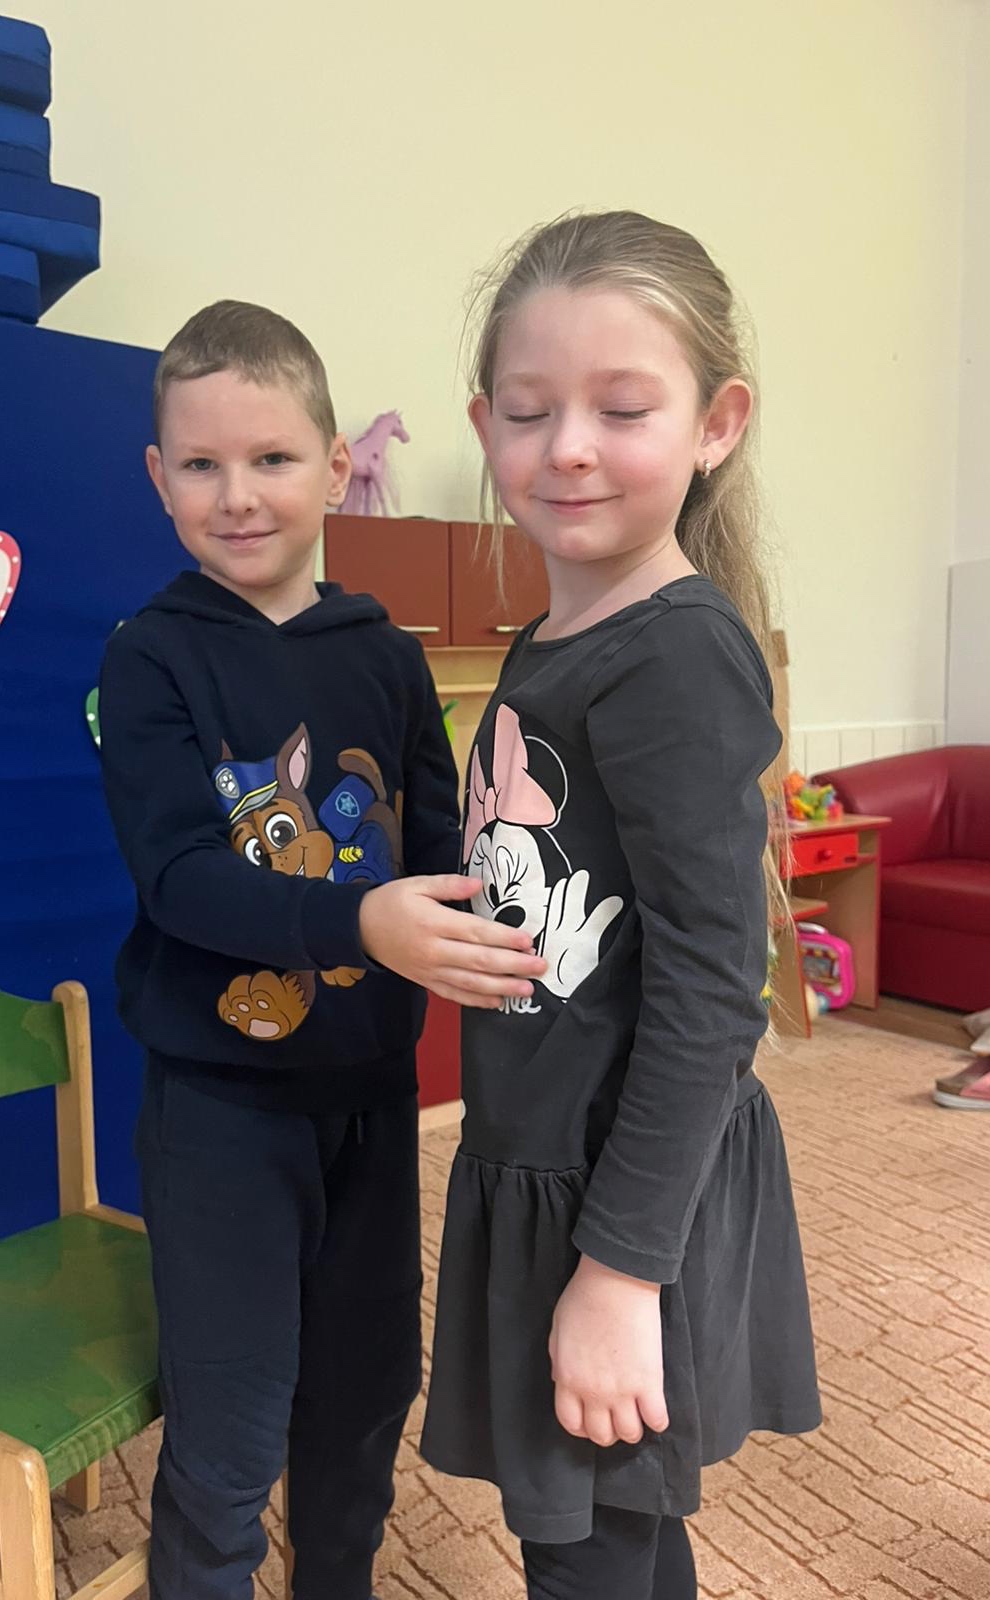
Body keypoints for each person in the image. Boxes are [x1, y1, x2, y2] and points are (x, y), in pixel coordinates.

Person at [99, 299, 546, 1600]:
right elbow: (181, 878)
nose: (237, 495)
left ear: (338, 463)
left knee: (361, 1404)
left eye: (273, 458)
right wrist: (360, 922)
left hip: (371, 1104)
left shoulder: (388, 658)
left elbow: (441, 844)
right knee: (231, 1440)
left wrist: (519, 896)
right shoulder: (149, 659)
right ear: (158, 476)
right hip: (219, 1114)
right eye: (201, 464)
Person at [420, 212, 822, 1600]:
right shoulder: (552, 639)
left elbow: (714, 997)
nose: (570, 447)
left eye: (622, 408)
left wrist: (619, 1273)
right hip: (553, 1145)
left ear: (716, 425)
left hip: (621, 1185)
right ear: (487, 426)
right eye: (530, 411)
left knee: (582, 1541)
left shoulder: (674, 657)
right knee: (605, 1524)